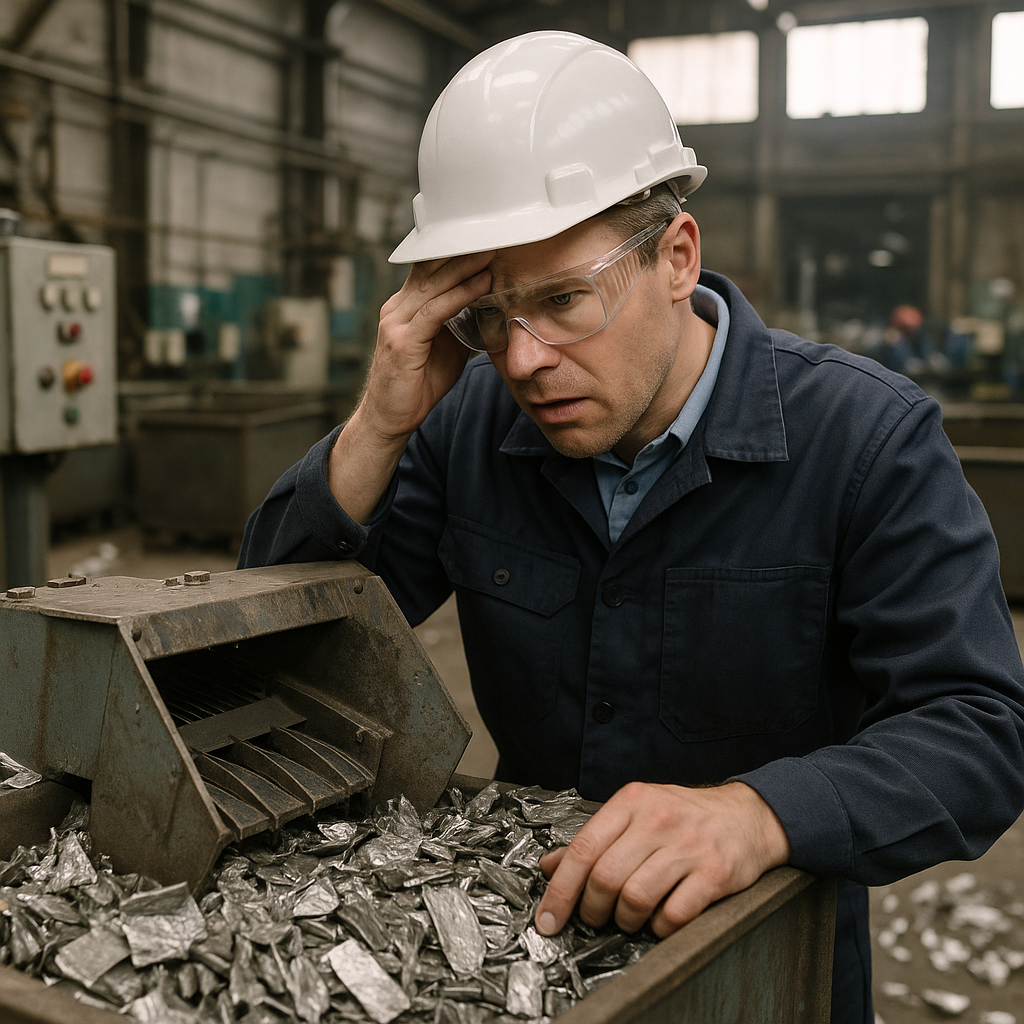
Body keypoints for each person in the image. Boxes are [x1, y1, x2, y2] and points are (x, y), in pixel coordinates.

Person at [238, 31, 1024, 1024]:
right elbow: (272, 653)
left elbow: (981, 730)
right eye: (489, 316)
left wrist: (758, 813)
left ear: (675, 257)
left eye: (563, 300)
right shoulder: (470, 426)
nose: (522, 361)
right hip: (533, 966)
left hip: (771, 979)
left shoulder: (863, 440)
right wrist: (379, 423)